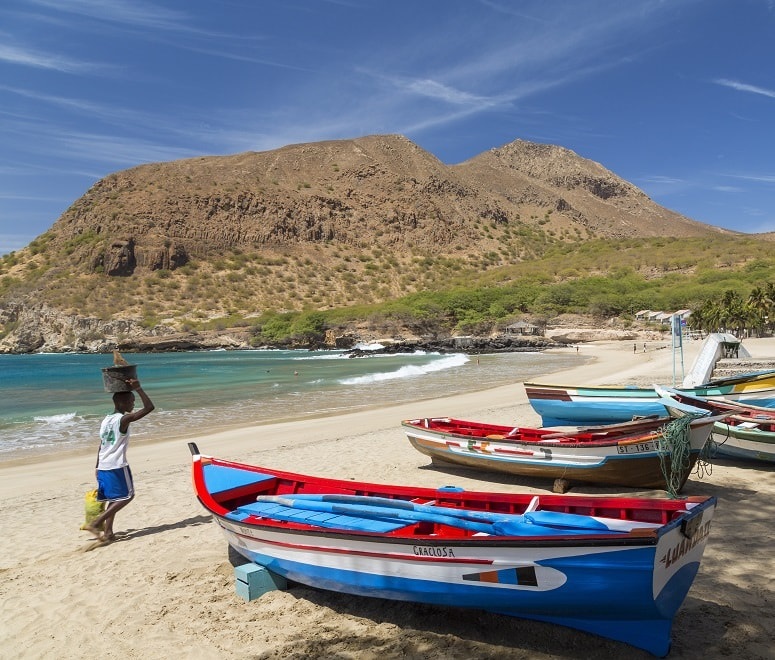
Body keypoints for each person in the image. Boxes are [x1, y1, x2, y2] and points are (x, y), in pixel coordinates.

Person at [84, 377, 154, 542]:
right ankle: (96, 523)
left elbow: (101, 444)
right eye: (131, 401)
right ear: (122, 403)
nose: (133, 404)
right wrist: (138, 388)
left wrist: (96, 466)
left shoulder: (106, 420)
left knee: (114, 499)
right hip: (116, 465)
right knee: (127, 496)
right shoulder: (123, 419)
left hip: (103, 465)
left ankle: (108, 533)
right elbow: (149, 407)